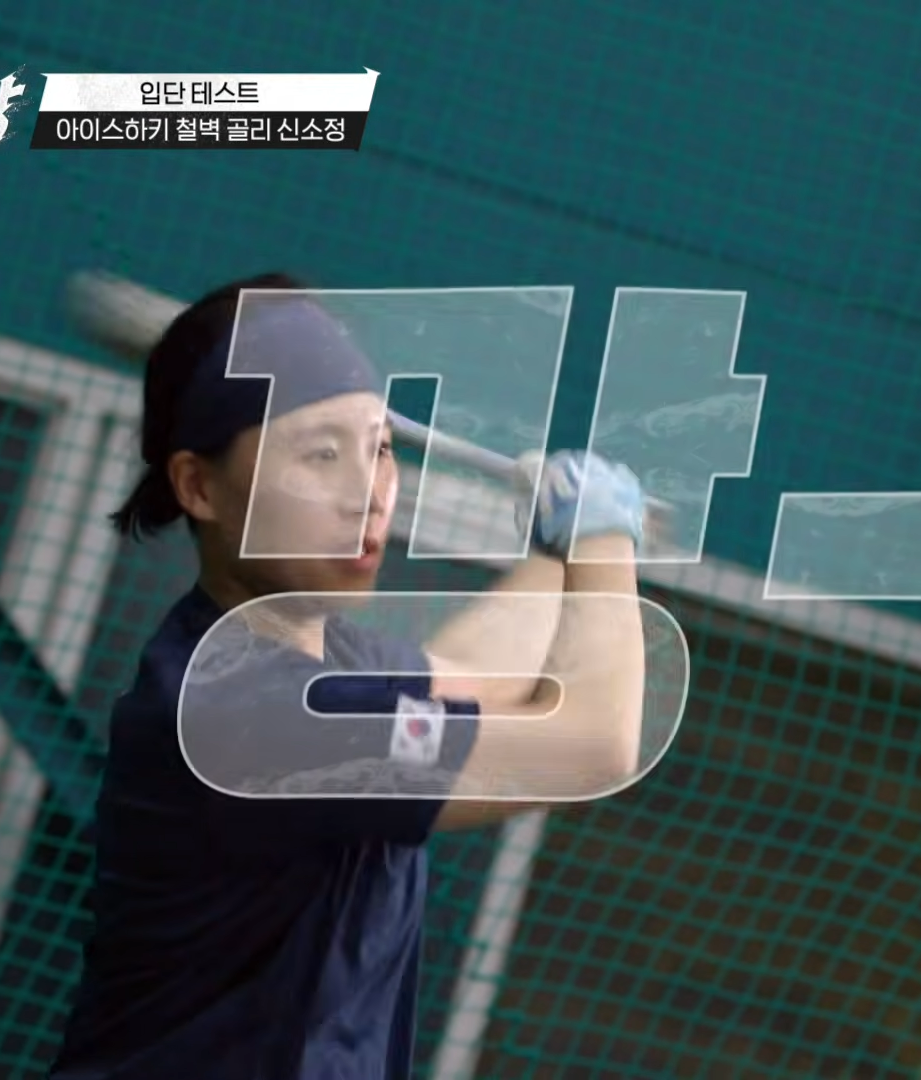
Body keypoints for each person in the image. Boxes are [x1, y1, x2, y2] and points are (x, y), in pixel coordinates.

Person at [47, 272, 652, 1079]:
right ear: (198, 486)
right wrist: (606, 545)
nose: (367, 494)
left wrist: (560, 548)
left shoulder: (327, 662)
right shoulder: (243, 715)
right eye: (321, 455)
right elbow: (593, 747)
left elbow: (482, 673)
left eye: (380, 449)